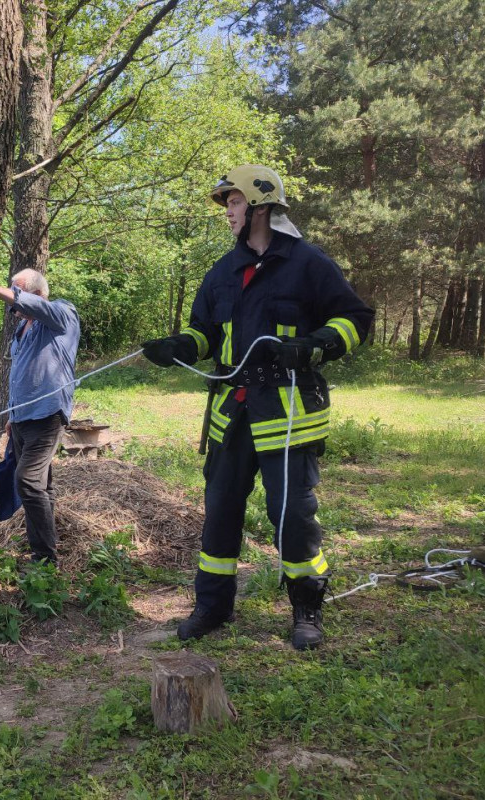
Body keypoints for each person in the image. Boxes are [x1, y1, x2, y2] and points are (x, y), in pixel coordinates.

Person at [142, 165, 373, 650]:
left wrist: (315, 345)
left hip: (288, 411)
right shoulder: (222, 272)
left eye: (233, 202)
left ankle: (307, 608)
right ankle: (213, 606)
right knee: (220, 508)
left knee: (291, 513)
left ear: (260, 206)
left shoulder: (309, 264)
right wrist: (180, 347)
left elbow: (355, 318)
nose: (227, 212)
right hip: (233, 412)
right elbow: (206, 331)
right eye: (226, 204)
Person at [0, 269, 81, 566]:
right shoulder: (20, 330)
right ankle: (46, 554)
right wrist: (12, 413)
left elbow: (39, 308)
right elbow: (20, 373)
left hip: (46, 415)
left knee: (26, 481)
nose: (11, 304)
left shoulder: (62, 314)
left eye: (16, 294)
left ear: (37, 294)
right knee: (43, 485)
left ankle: (44, 558)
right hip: (22, 418)